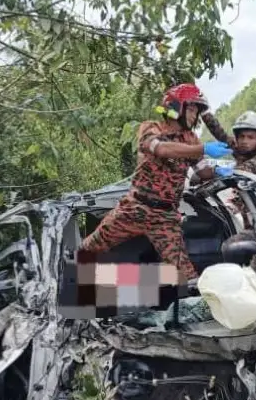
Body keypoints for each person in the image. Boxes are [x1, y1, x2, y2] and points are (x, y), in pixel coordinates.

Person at [79, 84, 233, 282]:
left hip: (165, 217)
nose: (194, 116)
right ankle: (66, 282)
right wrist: (202, 149)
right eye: (191, 109)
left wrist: (217, 170)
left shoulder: (191, 139)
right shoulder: (151, 128)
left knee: (186, 277)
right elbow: (161, 149)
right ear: (176, 107)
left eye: (197, 111)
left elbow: (202, 171)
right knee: (88, 249)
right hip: (134, 209)